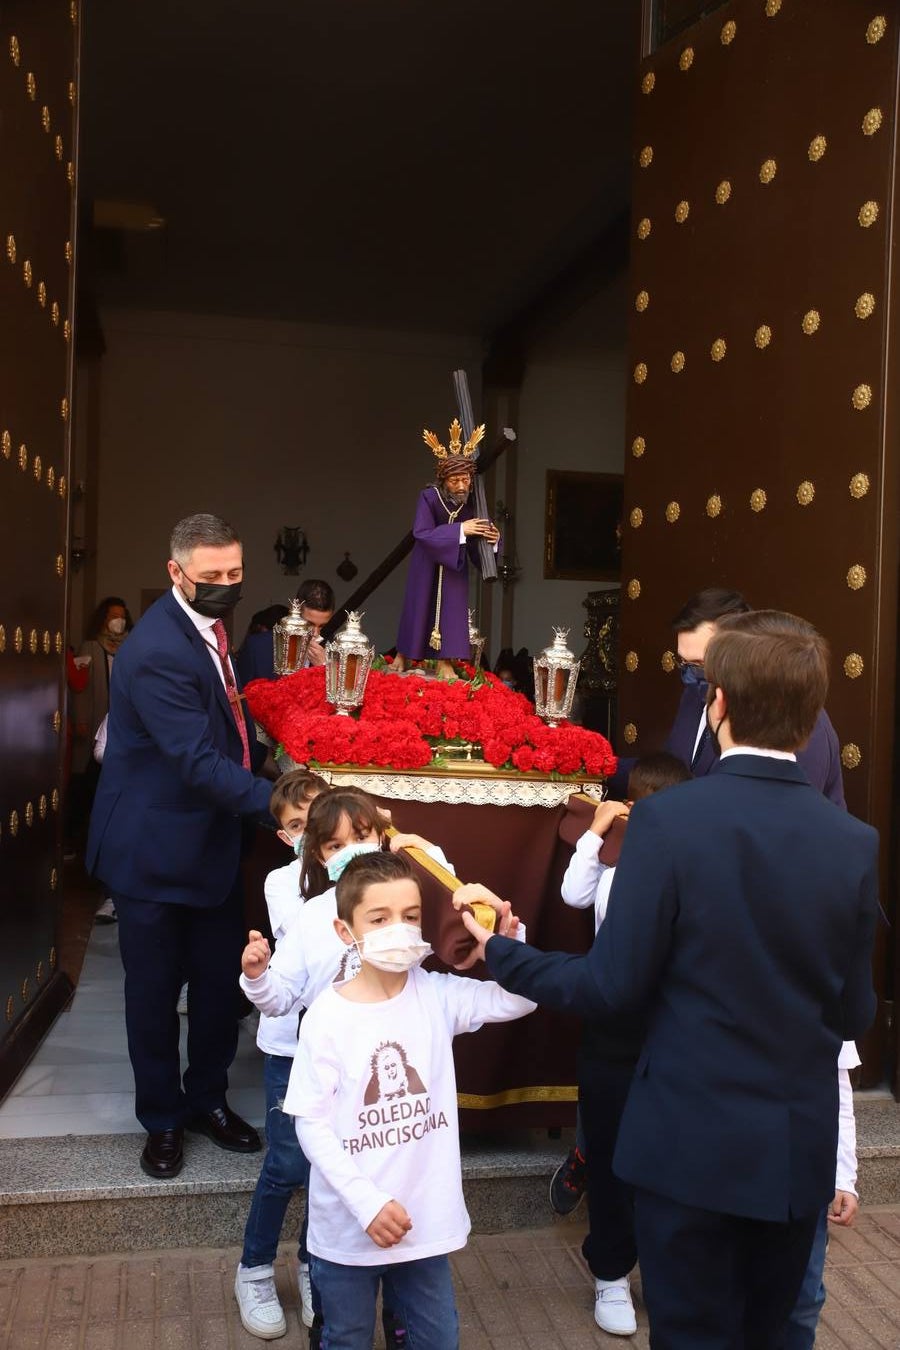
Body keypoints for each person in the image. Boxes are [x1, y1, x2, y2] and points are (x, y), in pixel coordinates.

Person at [459, 610, 879, 1348]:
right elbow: (852, 1008)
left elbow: (610, 987)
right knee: (779, 1332)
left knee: (691, 1331)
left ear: (716, 703)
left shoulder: (670, 822)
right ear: (812, 719)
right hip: (792, 1147)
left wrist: (502, 953)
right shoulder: (851, 840)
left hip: (690, 1143)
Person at [282, 850, 535, 1349]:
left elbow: (520, 999)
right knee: (347, 1337)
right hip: (350, 1228)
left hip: (424, 1224)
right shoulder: (327, 1018)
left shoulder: (435, 995)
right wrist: (368, 1203)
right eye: (379, 918)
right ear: (345, 931)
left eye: (411, 916)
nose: (399, 928)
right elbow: (310, 1123)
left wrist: (507, 948)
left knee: (437, 1338)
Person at [86, 513, 274, 1180]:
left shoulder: (213, 631)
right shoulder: (158, 647)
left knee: (222, 988)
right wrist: (275, 801)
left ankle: (208, 1101)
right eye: (212, 577)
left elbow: (226, 730)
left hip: (210, 844)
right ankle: (163, 1119)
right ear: (175, 573)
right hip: (152, 850)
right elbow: (195, 760)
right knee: (155, 995)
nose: (226, 586)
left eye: (235, 574)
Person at [238, 787, 449, 1348]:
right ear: (315, 853)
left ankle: (340, 1281)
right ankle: (262, 1270)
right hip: (306, 1056)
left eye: (362, 836)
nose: (350, 849)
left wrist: (412, 845)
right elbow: (282, 995)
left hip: (373, 1071)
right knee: (291, 1165)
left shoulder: (404, 892)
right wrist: (258, 975)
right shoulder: (312, 916)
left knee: (364, 1163)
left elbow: (448, 883)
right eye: (334, 843)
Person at [551, 752, 691, 1335]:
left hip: (674, 1026)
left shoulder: (691, 860)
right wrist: (597, 831)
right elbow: (572, 896)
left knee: (669, 1159)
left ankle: (662, 1272)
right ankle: (610, 1273)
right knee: (610, 1154)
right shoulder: (612, 862)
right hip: (613, 1026)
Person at [235, 768, 327, 1340]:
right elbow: (304, 942)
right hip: (290, 1047)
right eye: (298, 826)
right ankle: (254, 1269)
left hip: (342, 1046)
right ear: (286, 836)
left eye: (318, 820)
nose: (309, 833)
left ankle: (314, 1264)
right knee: (288, 1162)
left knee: (328, 1169)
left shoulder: (360, 873)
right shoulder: (281, 882)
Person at [642, 587, 844, 806]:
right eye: (685, 664)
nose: (693, 676)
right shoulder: (693, 693)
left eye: (702, 666)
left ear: (737, 652)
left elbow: (788, 813)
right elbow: (674, 770)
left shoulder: (793, 717)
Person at [395, 419, 498, 680]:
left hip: (454, 568)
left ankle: (445, 662)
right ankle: (403, 655)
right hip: (427, 563)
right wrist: (462, 530)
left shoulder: (472, 504)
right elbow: (422, 533)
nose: (461, 486)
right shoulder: (429, 497)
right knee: (418, 606)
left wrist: (492, 539)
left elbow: (478, 548)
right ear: (444, 480)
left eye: (465, 480)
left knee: (452, 610)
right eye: (455, 481)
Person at [235, 580, 335, 684]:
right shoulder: (257, 646)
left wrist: (324, 668)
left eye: (322, 626)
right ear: (294, 611)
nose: (315, 633)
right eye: (309, 624)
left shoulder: (333, 652)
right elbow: (240, 695)